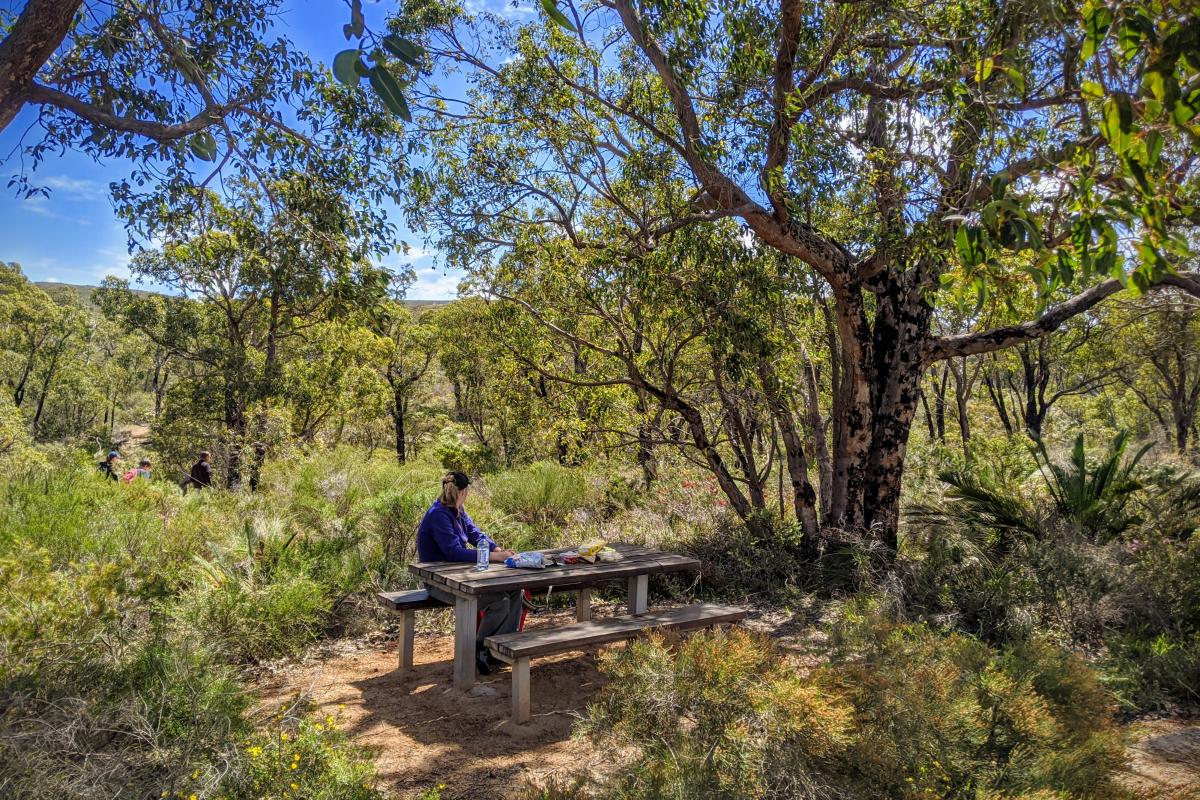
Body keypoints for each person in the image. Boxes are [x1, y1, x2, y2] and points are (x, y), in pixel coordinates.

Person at [416, 471, 518, 675]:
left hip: (460, 577)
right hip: (440, 583)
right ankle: (478, 649)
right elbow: (453, 552)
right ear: (463, 492)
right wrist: (493, 557)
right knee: (499, 602)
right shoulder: (438, 514)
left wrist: (496, 549)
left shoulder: (458, 510)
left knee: (516, 591)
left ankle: (498, 650)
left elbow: (475, 533)